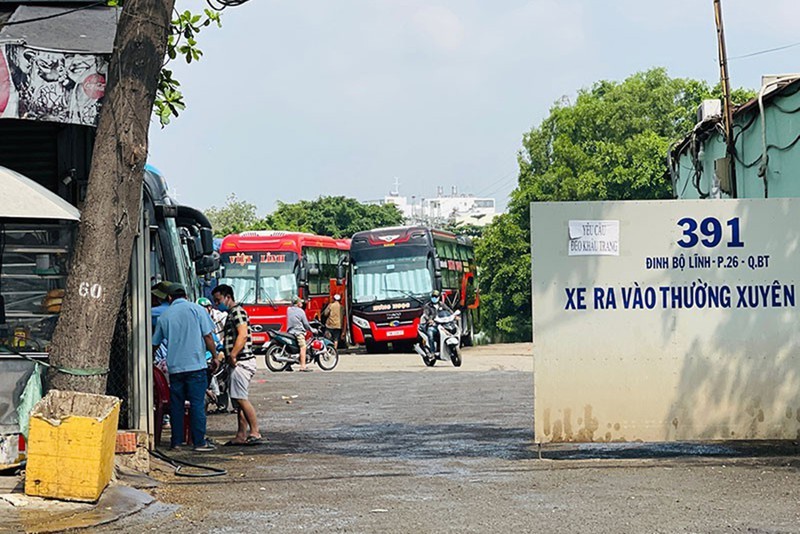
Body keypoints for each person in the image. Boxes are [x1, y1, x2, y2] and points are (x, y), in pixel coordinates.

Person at [152, 284, 217, 452]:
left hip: (175, 368)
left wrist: (150, 360)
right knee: (196, 404)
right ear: (185, 296)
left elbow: (155, 343)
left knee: (177, 405)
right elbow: (208, 336)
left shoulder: (164, 316)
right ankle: (199, 442)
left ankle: (176, 442)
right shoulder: (197, 310)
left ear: (169, 298)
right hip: (196, 366)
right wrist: (215, 356)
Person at [212, 284, 262, 445]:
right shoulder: (232, 313)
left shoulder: (238, 312)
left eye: (218, 299)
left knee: (240, 399)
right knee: (238, 400)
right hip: (237, 361)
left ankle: (255, 432)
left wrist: (233, 355)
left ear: (228, 297)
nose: (216, 303)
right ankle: (241, 434)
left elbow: (243, 335)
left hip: (242, 361)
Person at [287, 295, 314, 372]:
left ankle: (288, 365)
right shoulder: (301, 311)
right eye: (300, 301)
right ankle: (303, 366)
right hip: (298, 332)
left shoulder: (289, 309)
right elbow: (306, 324)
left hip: (290, 331)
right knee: (303, 347)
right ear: (298, 303)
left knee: (290, 348)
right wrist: (311, 329)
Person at [421, 290, 450, 354]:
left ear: (439, 297)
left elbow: (448, 310)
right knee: (430, 334)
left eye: (436, 296)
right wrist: (429, 320)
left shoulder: (441, 304)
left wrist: (454, 316)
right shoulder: (427, 306)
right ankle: (432, 352)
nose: (434, 298)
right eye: (433, 296)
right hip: (433, 325)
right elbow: (426, 315)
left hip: (442, 324)